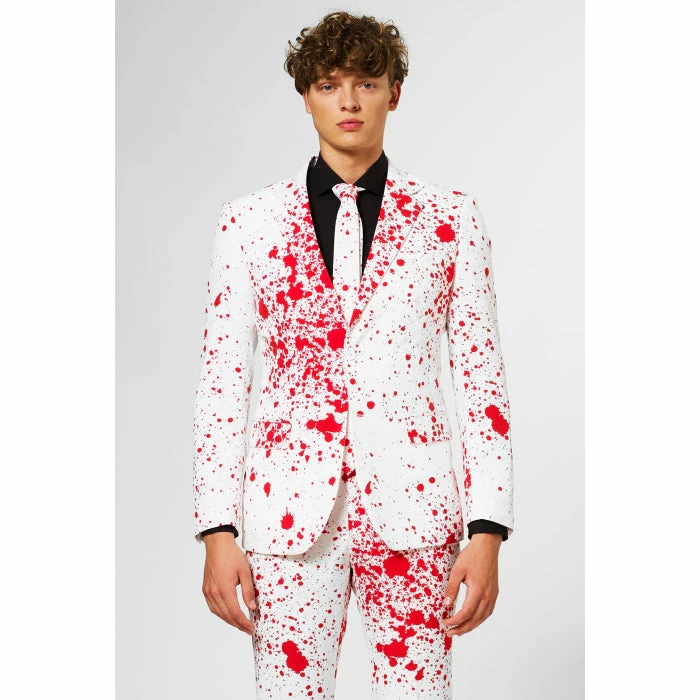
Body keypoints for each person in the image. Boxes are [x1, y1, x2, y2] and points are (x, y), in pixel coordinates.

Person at [192, 10, 514, 698]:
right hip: (287, 516)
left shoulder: (450, 220)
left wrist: (488, 529)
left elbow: (482, 382)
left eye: (366, 83)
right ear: (305, 95)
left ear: (394, 93)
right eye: (329, 84)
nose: (348, 101)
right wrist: (217, 528)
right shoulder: (248, 223)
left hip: (416, 515)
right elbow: (222, 382)